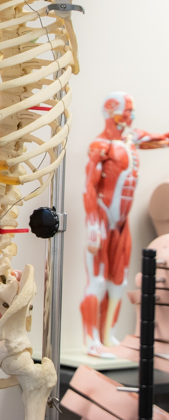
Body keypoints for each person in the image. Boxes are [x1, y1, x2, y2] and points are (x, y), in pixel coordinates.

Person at [80, 91, 169, 358]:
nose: (131, 116)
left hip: (121, 224)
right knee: (96, 280)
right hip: (102, 220)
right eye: (126, 110)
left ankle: (109, 336)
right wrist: (94, 223)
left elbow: (163, 139)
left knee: (118, 282)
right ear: (110, 112)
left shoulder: (132, 139)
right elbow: (89, 187)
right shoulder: (100, 146)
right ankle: (90, 339)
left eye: (131, 111)